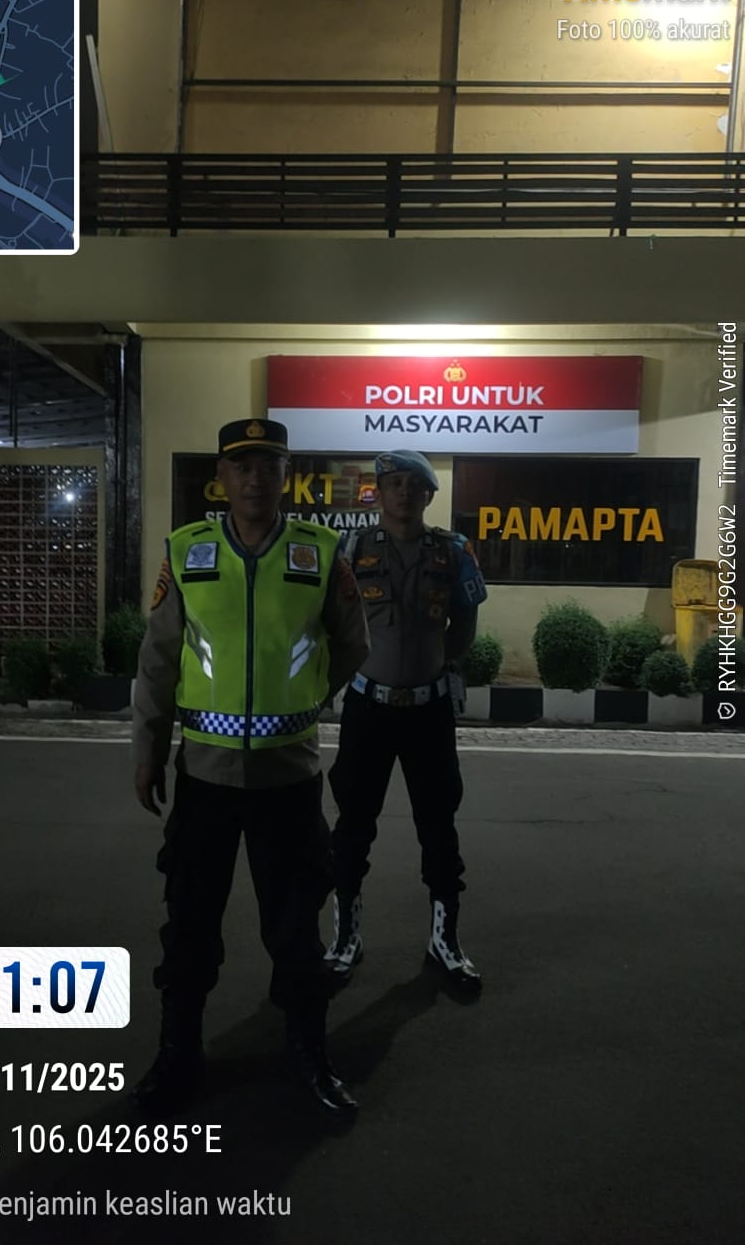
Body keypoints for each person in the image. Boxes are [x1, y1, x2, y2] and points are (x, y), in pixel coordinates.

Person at [132, 418, 369, 1117]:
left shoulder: (320, 553)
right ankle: (178, 1054)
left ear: (287, 475)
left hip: (288, 782)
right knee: (189, 927)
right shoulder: (186, 552)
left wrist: (305, 698)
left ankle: (308, 1053)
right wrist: (148, 750)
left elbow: (352, 645)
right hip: (204, 780)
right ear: (222, 477)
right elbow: (158, 661)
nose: (255, 479)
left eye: (269, 465)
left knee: (296, 931)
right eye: (242, 466)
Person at [324, 449, 488, 992]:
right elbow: (332, 622)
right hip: (367, 708)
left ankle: (445, 942)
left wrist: (432, 667)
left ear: (429, 494)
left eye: (414, 485)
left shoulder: (454, 550)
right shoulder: (349, 549)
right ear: (379, 491)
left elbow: (464, 627)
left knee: (439, 826)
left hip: (428, 712)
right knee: (353, 825)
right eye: (393, 483)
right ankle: (345, 938)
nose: (404, 493)